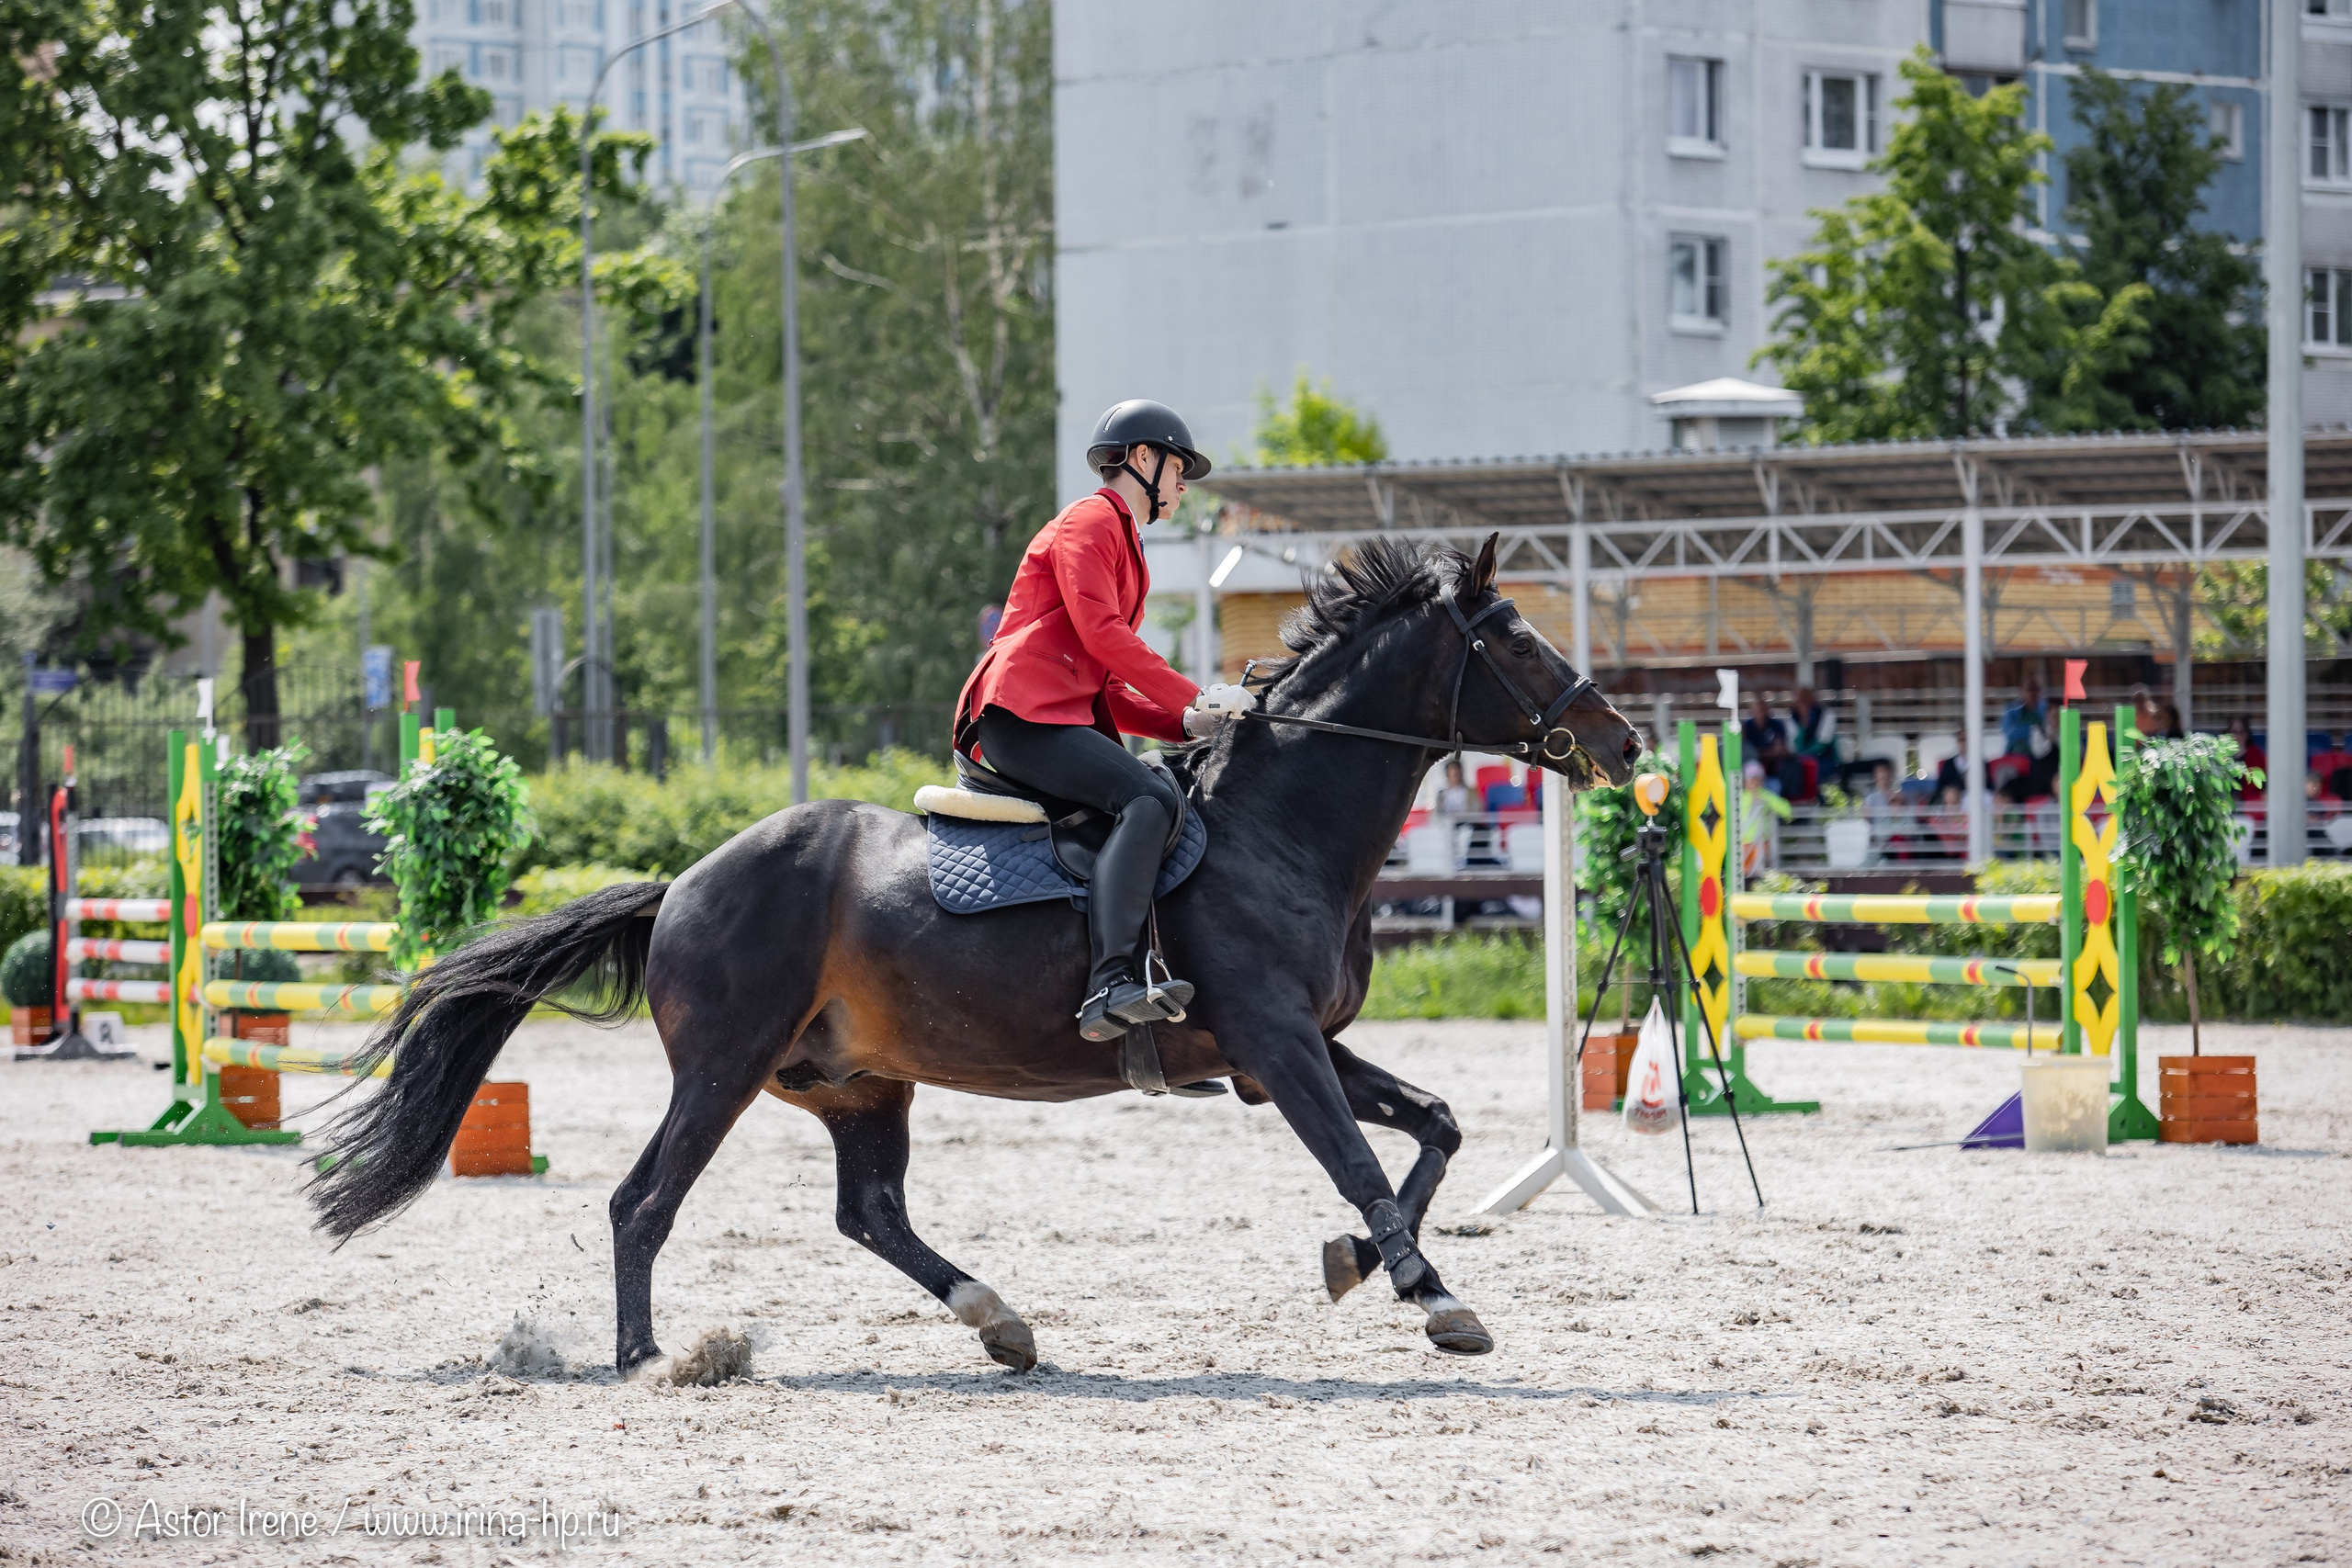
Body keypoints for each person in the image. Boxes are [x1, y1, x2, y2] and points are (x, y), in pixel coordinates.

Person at [953, 399, 1254, 1043]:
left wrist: (1188, 722)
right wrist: (1195, 689)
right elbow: (1103, 634)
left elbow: (1109, 685)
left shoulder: (1124, 540)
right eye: (1179, 468)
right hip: (1020, 712)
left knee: (1162, 790)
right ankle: (1111, 980)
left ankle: (1148, 1006)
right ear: (1143, 459)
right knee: (1148, 797)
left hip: (1055, 713)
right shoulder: (1092, 520)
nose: (1182, 484)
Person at [1999, 679, 2058, 803]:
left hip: (2052, 771)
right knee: (2008, 783)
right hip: (2021, 760)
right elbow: (2010, 733)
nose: (2033, 693)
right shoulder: (2013, 711)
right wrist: (2034, 729)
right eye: (2030, 689)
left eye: (2035, 689)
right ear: (2022, 691)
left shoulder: (2044, 712)